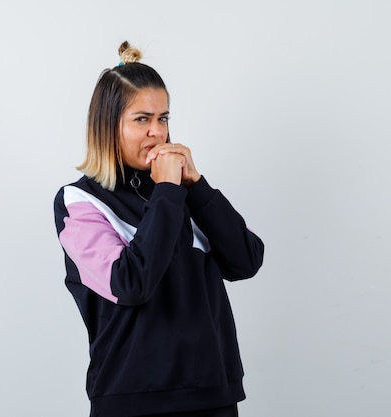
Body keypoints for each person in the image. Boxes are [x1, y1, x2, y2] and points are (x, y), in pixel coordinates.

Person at [53, 41, 264, 417]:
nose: (157, 133)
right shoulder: (78, 202)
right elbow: (131, 284)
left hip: (213, 393)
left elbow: (246, 261)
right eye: (142, 119)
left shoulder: (182, 189)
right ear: (107, 124)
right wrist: (168, 192)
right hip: (132, 399)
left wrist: (196, 186)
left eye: (163, 118)